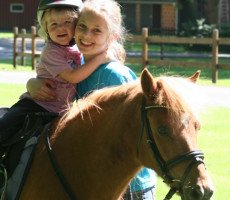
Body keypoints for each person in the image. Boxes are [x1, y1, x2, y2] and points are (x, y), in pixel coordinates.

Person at [27, 0, 156, 199]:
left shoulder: (115, 76)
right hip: (102, 180)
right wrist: (33, 83)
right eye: (83, 27)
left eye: (97, 30)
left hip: (130, 185)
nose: (87, 35)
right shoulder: (79, 64)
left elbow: (133, 135)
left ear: (112, 36)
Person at [0, 0, 110, 142]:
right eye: (54, 24)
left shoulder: (76, 50)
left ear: (76, 25)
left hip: (58, 112)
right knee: (4, 127)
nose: (60, 28)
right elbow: (72, 77)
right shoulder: (52, 51)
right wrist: (101, 57)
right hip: (35, 106)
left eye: (67, 22)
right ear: (45, 29)